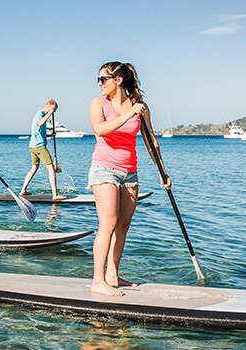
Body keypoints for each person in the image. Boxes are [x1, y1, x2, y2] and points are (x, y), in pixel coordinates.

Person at [87, 61, 171, 297]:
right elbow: (100, 129)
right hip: (104, 168)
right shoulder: (98, 103)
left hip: (130, 171)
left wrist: (162, 172)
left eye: (104, 79)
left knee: (123, 225)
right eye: (99, 79)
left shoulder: (140, 107)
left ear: (118, 80)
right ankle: (98, 280)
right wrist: (127, 116)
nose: (100, 84)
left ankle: (113, 275)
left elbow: (150, 140)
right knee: (108, 223)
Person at [19, 99, 67, 200]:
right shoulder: (40, 114)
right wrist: (50, 112)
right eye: (54, 110)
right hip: (39, 146)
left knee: (34, 168)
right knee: (51, 169)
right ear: (50, 106)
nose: (53, 113)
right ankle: (55, 195)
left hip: (33, 146)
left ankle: (23, 191)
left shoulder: (40, 115)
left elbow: (38, 131)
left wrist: (50, 135)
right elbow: (39, 123)